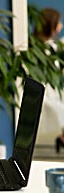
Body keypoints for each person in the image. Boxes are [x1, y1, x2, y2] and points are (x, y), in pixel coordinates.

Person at [33, 7, 64, 153]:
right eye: (58, 23)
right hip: (47, 93)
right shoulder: (35, 49)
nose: (60, 26)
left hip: (55, 91)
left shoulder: (53, 47)